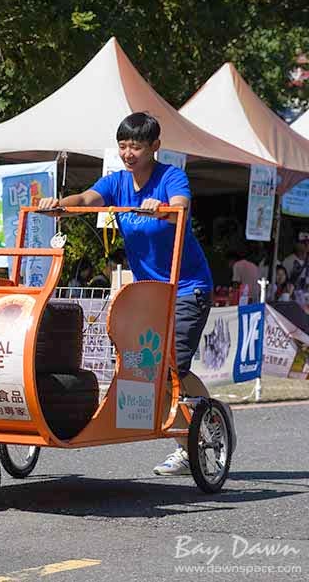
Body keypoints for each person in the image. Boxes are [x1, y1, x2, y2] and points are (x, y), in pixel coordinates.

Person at [38, 111, 221, 476]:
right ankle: (202, 419)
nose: (128, 152)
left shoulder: (171, 177)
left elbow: (180, 207)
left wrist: (163, 209)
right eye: (123, 145)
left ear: (154, 146)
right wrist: (59, 205)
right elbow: (88, 199)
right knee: (159, 369)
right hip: (149, 293)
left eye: (136, 145)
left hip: (187, 289)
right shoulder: (117, 183)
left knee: (170, 369)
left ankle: (198, 434)